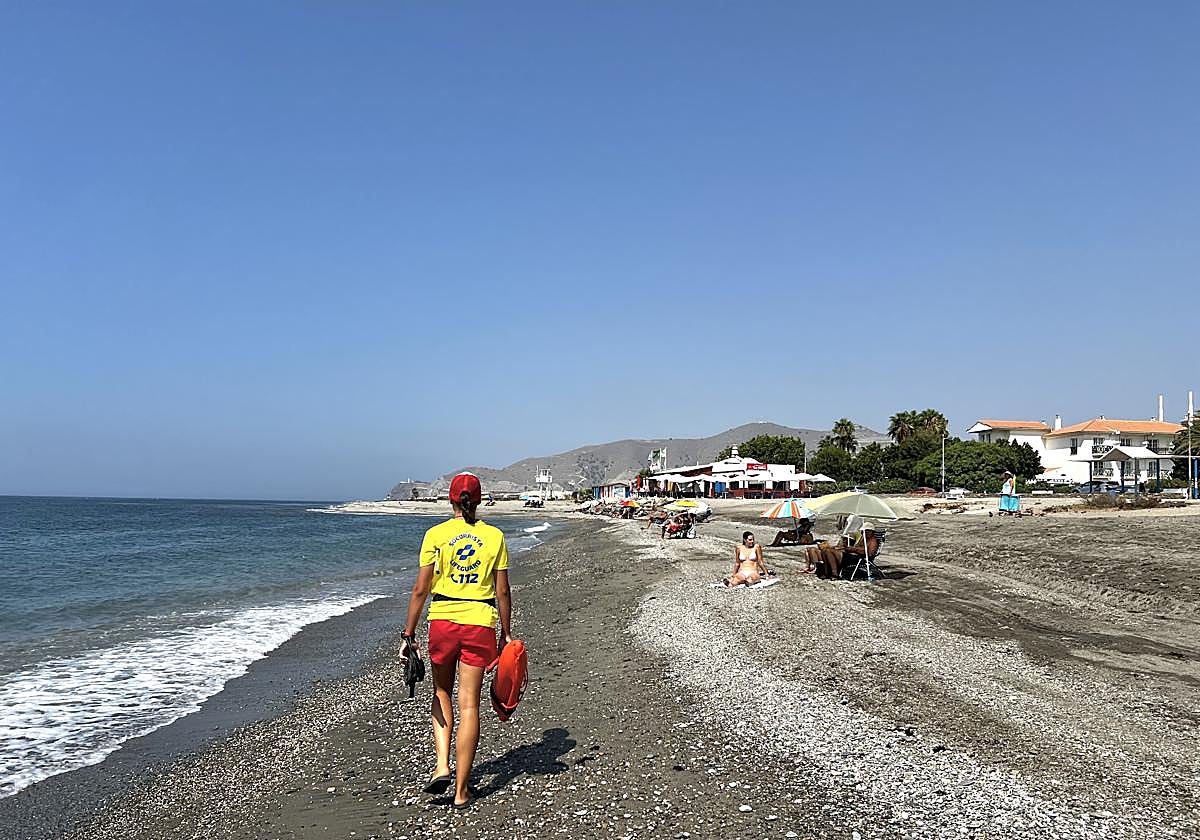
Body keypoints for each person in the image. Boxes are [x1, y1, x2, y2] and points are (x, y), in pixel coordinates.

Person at [399, 472, 513, 810]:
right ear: (478, 501)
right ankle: (462, 791)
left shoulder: (435, 535)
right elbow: (503, 590)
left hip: (443, 623)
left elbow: (421, 589)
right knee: (470, 706)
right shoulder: (494, 537)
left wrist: (408, 633)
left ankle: (442, 764)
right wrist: (506, 634)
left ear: (450, 500)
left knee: (441, 692)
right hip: (480, 623)